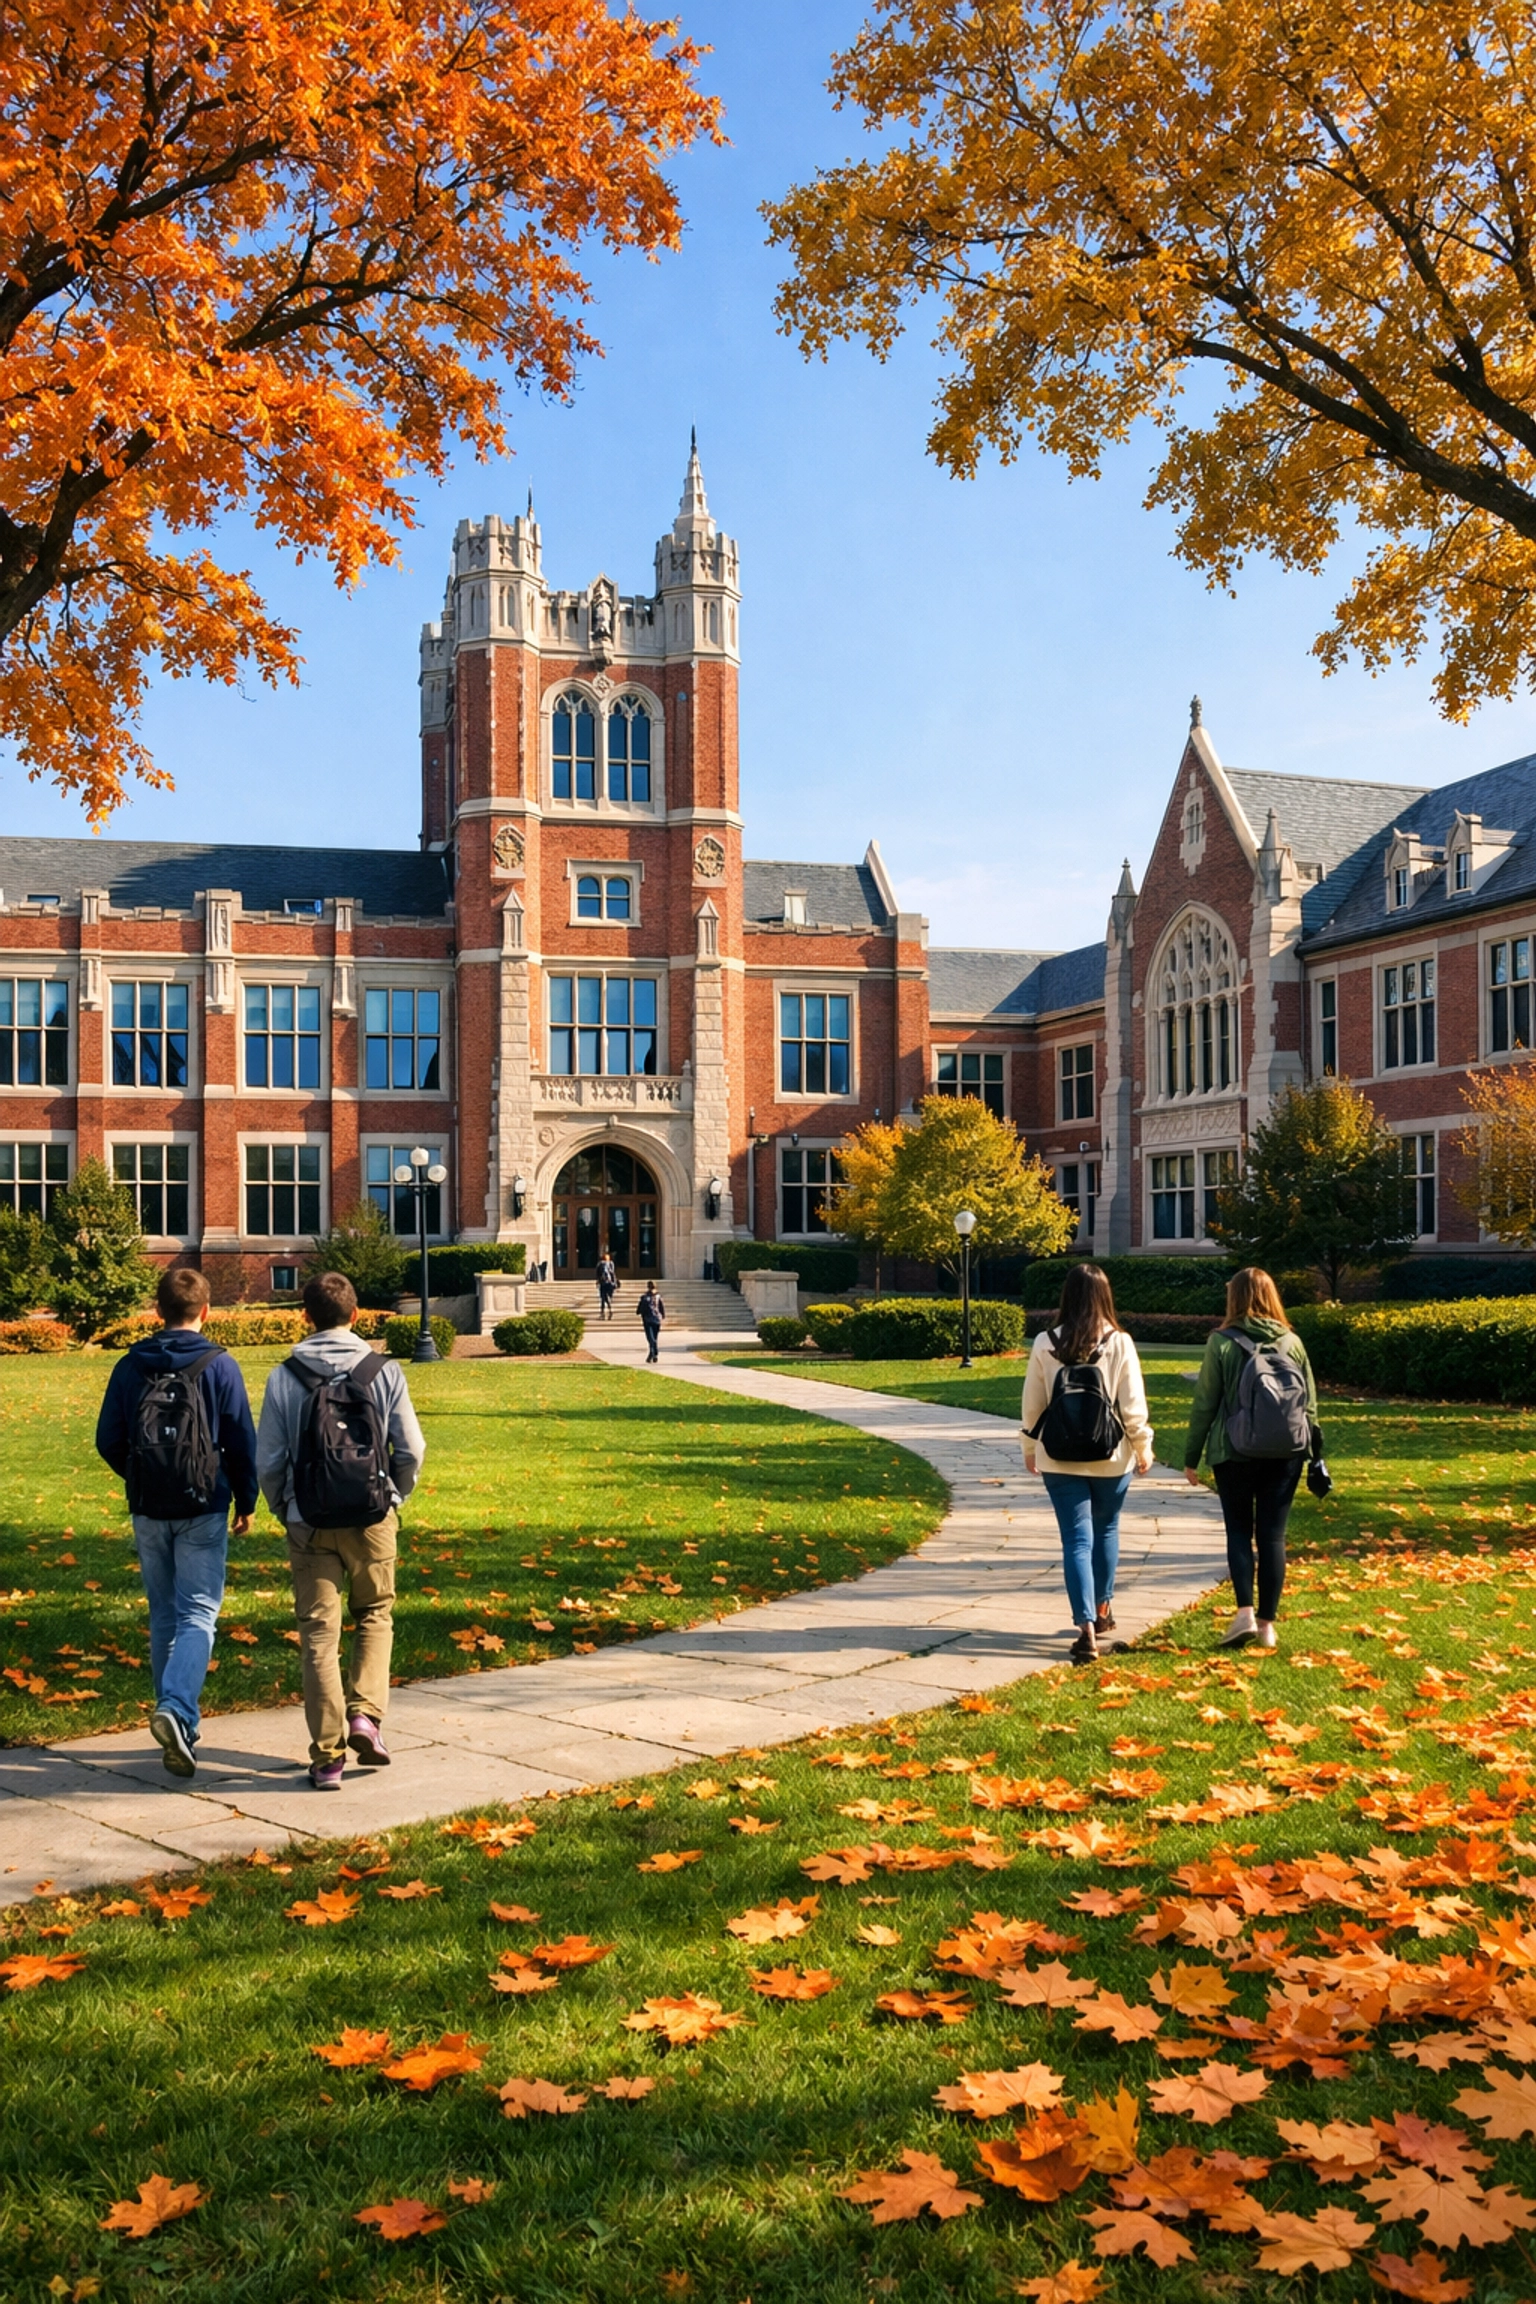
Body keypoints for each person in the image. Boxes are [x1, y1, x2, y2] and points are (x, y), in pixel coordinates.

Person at [256, 1271, 426, 1788]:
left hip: (309, 1519)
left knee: (317, 1637)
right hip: (372, 1516)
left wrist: (282, 1506)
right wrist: (394, 1495)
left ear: (305, 1317)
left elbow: (269, 1459)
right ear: (356, 1316)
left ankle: (327, 1757)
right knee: (375, 1613)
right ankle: (365, 1717)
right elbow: (412, 1449)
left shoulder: (285, 1375)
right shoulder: (383, 1371)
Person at [95, 1266, 258, 1777]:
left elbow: (108, 1438)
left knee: (163, 1614)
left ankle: (179, 1723)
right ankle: (178, 1710)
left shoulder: (130, 1365)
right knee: (199, 1613)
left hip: (149, 1506)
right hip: (203, 1504)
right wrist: (246, 1499)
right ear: (206, 1311)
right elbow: (240, 1440)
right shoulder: (219, 1365)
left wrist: (140, 1475)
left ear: (156, 1310)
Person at [1022, 1262, 1154, 1666]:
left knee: (1076, 1540)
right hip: (1111, 1457)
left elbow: (1034, 1403)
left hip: (1059, 1457)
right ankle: (1102, 1608)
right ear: (1104, 1297)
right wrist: (1143, 1446)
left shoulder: (1046, 1342)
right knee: (1107, 1529)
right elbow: (1131, 1404)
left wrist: (1029, 1447)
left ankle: (1086, 1631)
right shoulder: (1119, 1342)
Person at [1184, 1266, 1318, 1651]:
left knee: (1239, 1532)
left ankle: (1243, 1613)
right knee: (1273, 1536)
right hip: (1286, 1452)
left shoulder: (1221, 1342)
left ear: (1235, 1298)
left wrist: (1192, 1456)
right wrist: (1314, 1451)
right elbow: (1309, 1403)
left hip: (1234, 1450)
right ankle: (1267, 1626)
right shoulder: (1292, 1342)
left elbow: (1205, 1403)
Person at [638, 1280, 666, 1364]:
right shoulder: (658, 1296)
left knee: (651, 1339)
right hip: (657, 1319)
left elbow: (640, 1309)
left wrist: (639, 1312)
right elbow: (661, 1307)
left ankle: (655, 1352)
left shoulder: (644, 1297)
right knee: (654, 1338)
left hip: (648, 1320)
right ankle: (652, 1355)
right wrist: (662, 1316)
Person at [595, 1252, 618, 1322]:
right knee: (608, 1297)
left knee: (603, 1297)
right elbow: (613, 1273)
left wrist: (598, 1281)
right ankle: (609, 1309)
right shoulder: (611, 1264)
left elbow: (597, 1273)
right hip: (610, 1283)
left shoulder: (600, 1264)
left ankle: (603, 1312)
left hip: (603, 1282)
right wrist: (615, 1282)